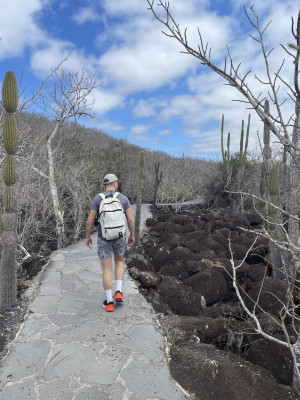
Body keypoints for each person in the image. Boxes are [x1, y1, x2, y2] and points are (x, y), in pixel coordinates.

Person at [86, 173, 135, 312]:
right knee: (119, 262)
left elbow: (90, 220)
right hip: (120, 236)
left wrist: (88, 236)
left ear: (105, 184)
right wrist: (132, 235)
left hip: (104, 237)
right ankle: (118, 292)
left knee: (106, 269)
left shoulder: (97, 199)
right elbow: (130, 220)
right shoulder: (123, 198)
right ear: (115, 184)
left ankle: (108, 302)